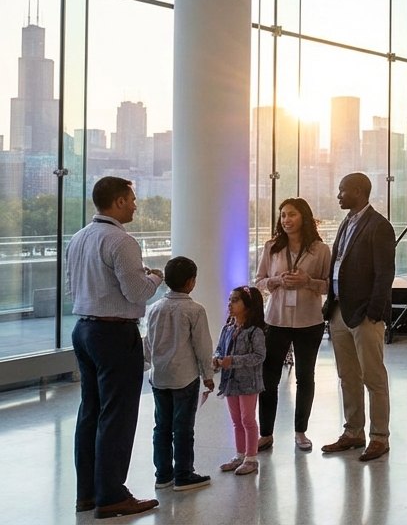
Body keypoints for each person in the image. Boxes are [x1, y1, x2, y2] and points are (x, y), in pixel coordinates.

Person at [69, 176, 164, 517]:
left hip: (83, 330)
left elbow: (71, 289)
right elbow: (137, 293)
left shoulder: (79, 238)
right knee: (118, 416)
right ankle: (111, 495)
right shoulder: (121, 241)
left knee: (90, 413)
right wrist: (155, 276)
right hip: (114, 334)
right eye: (132, 199)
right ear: (119, 202)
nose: (136, 204)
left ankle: (87, 494)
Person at [322, 172, 397, 462]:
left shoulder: (379, 226)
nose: (338, 196)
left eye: (342, 191)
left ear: (357, 191)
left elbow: (384, 274)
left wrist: (375, 312)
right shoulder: (346, 223)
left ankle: (380, 437)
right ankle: (353, 432)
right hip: (339, 311)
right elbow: (338, 264)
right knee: (347, 377)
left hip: (365, 314)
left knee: (373, 377)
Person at [254, 197, 330, 453]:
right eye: (283, 215)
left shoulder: (320, 249)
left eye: (292, 214)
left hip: (309, 321)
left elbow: (330, 285)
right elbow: (259, 281)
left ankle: (300, 432)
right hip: (276, 320)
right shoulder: (272, 247)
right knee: (269, 378)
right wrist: (276, 280)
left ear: (304, 217)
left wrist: (308, 282)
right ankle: (265, 433)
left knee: (305, 377)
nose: (286, 220)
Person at [143, 256, 215, 493]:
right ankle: (183, 473)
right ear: (191, 282)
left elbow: (148, 343)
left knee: (161, 426)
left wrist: (151, 364)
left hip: (159, 376)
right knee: (183, 427)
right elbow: (202, 345)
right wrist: (208, 373)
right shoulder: (194, 310)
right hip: (185, 376)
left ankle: (163, 475)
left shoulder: (153, 309)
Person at [214, 286, 268, 476]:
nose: (230, 304)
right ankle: (239, 455)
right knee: (236, 420)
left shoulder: (255, 332)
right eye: (230, 300)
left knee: (247, 419)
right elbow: (220, 349)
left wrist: (234, 361)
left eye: (235, 300)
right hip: (230, 381)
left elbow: (259, 356)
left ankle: (251, 458)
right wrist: (217, 358)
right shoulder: (227, 328)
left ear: (248, 305)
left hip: (248, 383)